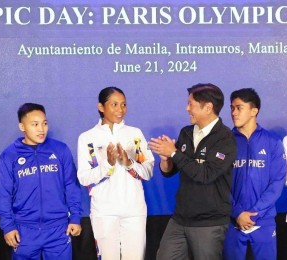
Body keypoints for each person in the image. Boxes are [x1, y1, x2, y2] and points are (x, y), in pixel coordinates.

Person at [148, 83, 236, 260]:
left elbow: (206, 174)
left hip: (209, 222)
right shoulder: (186, 133)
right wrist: (166, 159)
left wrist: (174, 152)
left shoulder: (225, 138)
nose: (187, 109)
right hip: (180, 218)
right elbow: (170, 171)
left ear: (208, 107)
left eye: (191, 104)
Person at [0, 103, 82, 259]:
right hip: (24, 231)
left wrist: (75, 217)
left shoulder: (60, 150)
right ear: (22, 126)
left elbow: (71, 186)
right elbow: (3, 195)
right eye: (35, 124)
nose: (41, 129)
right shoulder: (9, 156)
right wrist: (8, 227)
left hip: (58, 229)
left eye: (44, 123)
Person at [77, 86, 155, 260]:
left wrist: (129, 163)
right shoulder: (87, 138)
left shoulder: (135, 134)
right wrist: (108, 164)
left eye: (124, 104)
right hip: (103, 211)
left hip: (134, 210)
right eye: (114, 104)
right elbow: (84, 178)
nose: (120, 110)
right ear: (101, 107)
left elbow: (148, 171)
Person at [223, 88, 286, 260]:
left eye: (239, 108)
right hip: (232, 222)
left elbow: (277, 183)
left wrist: (255, 213)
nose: (233, 113)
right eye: (232, 108)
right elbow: (219, 182)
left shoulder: (272, 142)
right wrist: (237, 213)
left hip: (263, 223)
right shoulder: (224, 142)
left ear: (254, 110)